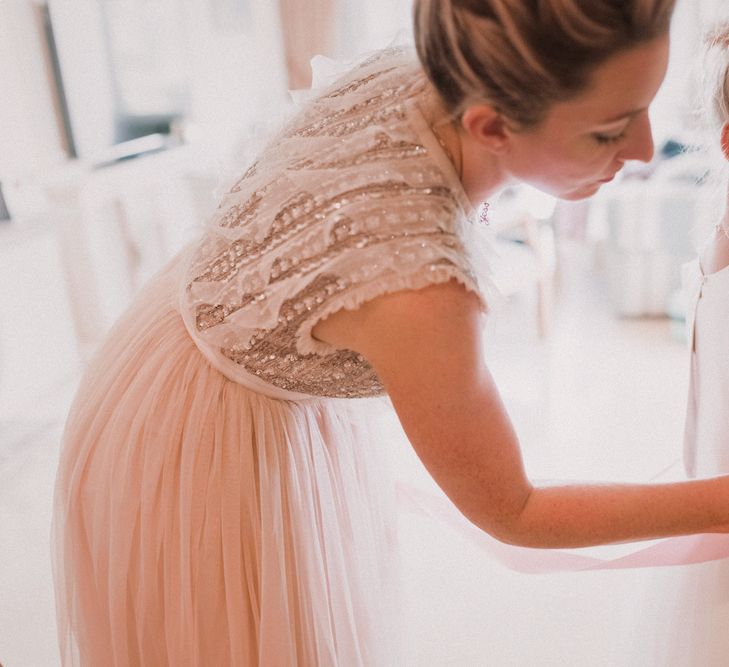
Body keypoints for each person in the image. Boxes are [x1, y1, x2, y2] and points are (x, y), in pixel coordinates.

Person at [52, 1, 729, 665]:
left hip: (174, 336)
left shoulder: (458, 61)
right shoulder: (417, 277)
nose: (642, 151)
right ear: (491, 126)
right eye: (608, 131)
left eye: (645, 105)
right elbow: (513, 508)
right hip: (197, 437)